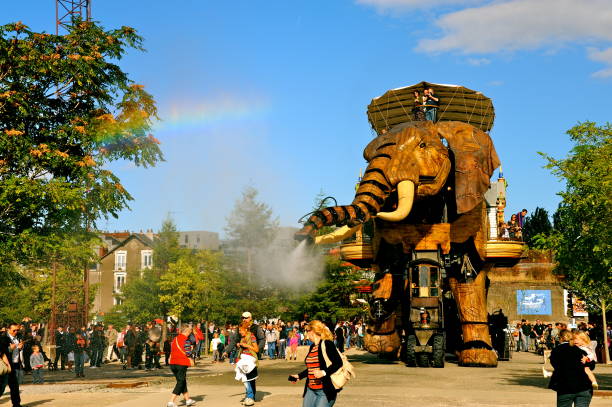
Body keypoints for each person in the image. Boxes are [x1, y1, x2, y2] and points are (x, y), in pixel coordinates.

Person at [290, 320, 343, 407]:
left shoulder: (327, 344)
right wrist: (299, 376)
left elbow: (338, 363)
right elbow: (312, 368)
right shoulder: (312, 347)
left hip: (324, 390)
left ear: (312, 331)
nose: (306, 333)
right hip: (311, 390)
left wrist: (323, 372)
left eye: (307, 331)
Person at [549, 329, 595, 407]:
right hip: (584, 386)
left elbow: (555, 365)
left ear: (560, 338)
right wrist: (586, 361)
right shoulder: (580, 350)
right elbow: (592, 365)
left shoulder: (556, 351)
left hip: (565, 387)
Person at [167, 324, 196, 407]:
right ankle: (171, 402)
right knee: (180, 382)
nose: (190, 332)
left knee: (182, 380)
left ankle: (188, 400)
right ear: (186, 331)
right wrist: (191, 352)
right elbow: (188, 353)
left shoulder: (175, 339)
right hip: (181, 363)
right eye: (190, 331)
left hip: (173, 363)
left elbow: (172, 350)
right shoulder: (186, 340)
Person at [234, 322, 259, 406]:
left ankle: (250, 396)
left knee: (250, 379)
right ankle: (250, 396)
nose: (240, 332)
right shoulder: (242, 338)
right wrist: (240, 345)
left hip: (250, 360)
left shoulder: (252, 336)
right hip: (244, 360)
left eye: (241, 330)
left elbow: (256, 349)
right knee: (246, 378)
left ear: (246, 329)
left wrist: (246, 345)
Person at [0, 322, 23, 407]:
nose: (16, 332)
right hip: (6, 365)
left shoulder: (18, 337)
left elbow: (17, 350)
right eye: (14, 330)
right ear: (8, 329)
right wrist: (9, 349)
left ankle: (16, 404)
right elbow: (1, 351)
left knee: (14, 387)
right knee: (1, 387)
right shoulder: (3, 338)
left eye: (17, 330)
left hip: (14, 364)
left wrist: (20, 348)